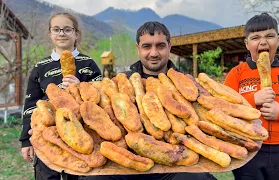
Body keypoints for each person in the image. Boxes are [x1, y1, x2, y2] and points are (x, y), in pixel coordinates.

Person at [79, 21, 217, 180]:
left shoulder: (187, 85)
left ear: (169, 47)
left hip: (173, 163)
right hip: (127, 164)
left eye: (160, 46)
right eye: (147, 46)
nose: (153, 53)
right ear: (138, 48)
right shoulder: (120, 82)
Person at [224, 13, 279, 180]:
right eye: (256, 37)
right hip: (248, 148)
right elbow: (224, 107)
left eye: (269, 36)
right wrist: (252, 100)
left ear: (278, 41)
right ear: (247, 44)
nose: (263, 42)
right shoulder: (236, 74)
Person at [19, 12, 102, 180]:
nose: (61, 33)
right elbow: (31, 104)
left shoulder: (88, 64)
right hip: (46, 136)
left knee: (79, 175)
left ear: (76, 34)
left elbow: (100, 99)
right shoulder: (40, 67)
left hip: (81, 134)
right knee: (47, 175)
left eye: (67, 29)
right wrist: (26, 141)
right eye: (56, 29)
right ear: (50, 34)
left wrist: (80, 88)